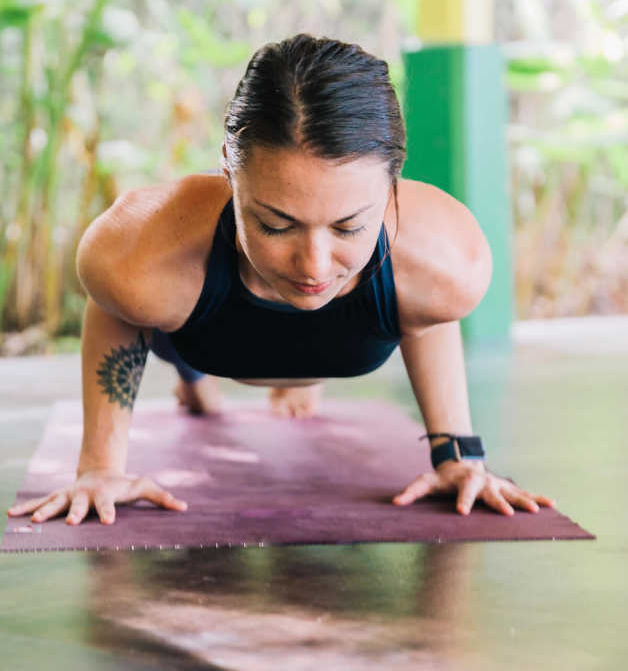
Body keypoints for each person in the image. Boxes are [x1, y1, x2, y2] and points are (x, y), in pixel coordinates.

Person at [7, 33, 555, 527]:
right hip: (203, 336)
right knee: (190, 374)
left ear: (394, 183)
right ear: (227, 166)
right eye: (276, 223)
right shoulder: (145, 258)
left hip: (336, 336)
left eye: (348, 226)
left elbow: (427, 314)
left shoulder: (444, 261)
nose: (314, 266)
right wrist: (101, 467)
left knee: (400, 290)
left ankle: (289, 360)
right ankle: (196, 382)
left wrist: (459, 458)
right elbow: (115, 310)